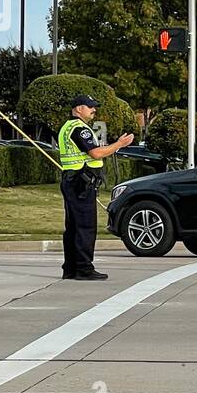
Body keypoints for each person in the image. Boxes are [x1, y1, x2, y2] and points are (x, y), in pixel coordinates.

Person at [57, 94, 135, 280]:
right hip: (80, 183)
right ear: (78, 109)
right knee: (85, 226)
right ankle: (84, 268)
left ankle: (71, 269)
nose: (94, 109)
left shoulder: (68, 127)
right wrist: (119, 144)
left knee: (73, 227)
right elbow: (96, 153)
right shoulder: (80, 129)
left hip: (72, 180)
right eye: (89, 106)